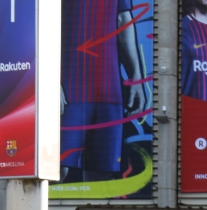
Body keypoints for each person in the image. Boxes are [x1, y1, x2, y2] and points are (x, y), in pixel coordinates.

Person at [60, 0, 147, 182]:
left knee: (103, 173)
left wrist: (136, 78)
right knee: (58, 168)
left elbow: (123, 18)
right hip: (69, 87)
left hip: (109, 88)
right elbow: (39, 22)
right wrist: (49, 80)